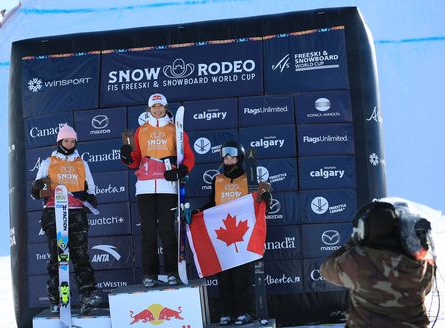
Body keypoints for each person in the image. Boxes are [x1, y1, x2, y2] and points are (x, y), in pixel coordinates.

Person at [320, 198, 436, 328]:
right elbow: (425, 289)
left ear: (365, 231)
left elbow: (326, 270)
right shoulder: (421, 263)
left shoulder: (358, 261)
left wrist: (352, 242)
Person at [120, 93, 195, 287]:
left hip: (167, 186)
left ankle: (172, 271)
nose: (157, 109)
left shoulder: (175, 129)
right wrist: (127, 157)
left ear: (165, 107)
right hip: (144, 186)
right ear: (149, 109)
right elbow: (135, 160)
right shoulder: (141, 131)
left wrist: (181, 171)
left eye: (161, 106)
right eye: (154, 107)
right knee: (148, 232)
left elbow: (188, 156)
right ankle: (150, 274)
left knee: (167, 231)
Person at [192, 141, 271, 326]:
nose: (229, 160)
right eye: (226, 157)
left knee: (241, 277)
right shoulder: (218, 179)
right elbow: (212, 203)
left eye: (233, 157)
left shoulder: (249, 179)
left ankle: (242, 312)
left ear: (240, 158)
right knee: (225, 278)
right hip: (223, 235)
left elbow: (259, 203)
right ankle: (226, 313)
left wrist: (266, 198)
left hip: (243, 235)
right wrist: (197, 214)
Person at [30, 124, 102, 314]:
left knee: (80, 256)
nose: (69, 144)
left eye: (72, 141)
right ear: (59, 141)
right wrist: (38, 188)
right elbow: (36, 193)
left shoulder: (82, 163)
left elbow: (91, 189)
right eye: (66, 140)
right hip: (54, 211)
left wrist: (89, 197)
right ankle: (56, 298)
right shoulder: (48, 162)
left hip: (76, 212)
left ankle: (88, 295)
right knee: (57, 256)